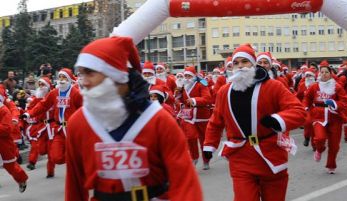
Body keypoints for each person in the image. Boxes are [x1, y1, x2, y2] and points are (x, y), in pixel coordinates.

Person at [66, 36, 202, 201]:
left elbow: (185, 184)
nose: (83, 82)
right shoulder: (78, 123)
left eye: (90, 72)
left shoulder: (159, 120)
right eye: (81, 74)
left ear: (114, 74)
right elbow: (74, 186)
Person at [203, 44, 306, 201]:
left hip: (270, 154)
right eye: (236, 63)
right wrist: (209, 145)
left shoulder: (273, 86)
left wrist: (277, 120)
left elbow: (298, 111)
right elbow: (216, 121)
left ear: (253, 63)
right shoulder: (224, 91)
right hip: (240, 156)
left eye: (245, 61)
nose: (240, 66)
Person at [23, 68, 82, 174]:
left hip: (72, 129)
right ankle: (73, 158)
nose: (62, 79)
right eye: (60, 77)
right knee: (56, 157)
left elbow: (83, 109)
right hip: (58, 130)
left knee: (76, 156)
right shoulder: (54, 93)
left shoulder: (75, 93)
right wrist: (29, 113)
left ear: (69, 79)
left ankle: (76, 162)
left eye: (64, 77)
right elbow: (43, 105)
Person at [303, 65, 347, 174]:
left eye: (326, 72)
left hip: (334, 118)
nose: (324, 74)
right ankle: (319, 149)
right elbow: (306, 99)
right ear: (319, 74)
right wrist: (305, 107)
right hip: (318, 116)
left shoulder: (337, 87)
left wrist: (334, 103)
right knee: (319, 138)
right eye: (322, 72)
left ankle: (331, 165)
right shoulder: (314, 87)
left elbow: (345, 102)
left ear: (330, 73)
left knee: (334, 145)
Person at [175, 66, 212, 170]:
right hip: (187, 115)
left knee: (204, 139)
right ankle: (194, 157)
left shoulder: (201, 84)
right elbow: (178, 99)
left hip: (201, 116)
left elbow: (207, 99)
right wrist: (179, 100)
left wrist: (194, 100)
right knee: (190, 137)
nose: (187, 78)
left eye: (189, 76)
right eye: (185, 76)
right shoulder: (182, 86)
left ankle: (206, 160)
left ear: (194, 76)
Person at [0, 87, 28, 193]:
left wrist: (15, 118)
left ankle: (22, 179)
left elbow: (6, 128)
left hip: (4, 142)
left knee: (10, 165)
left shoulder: (4, 108)